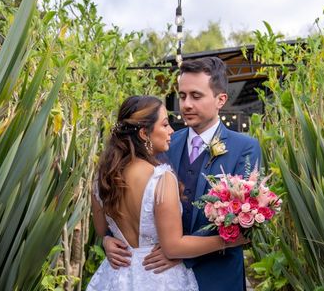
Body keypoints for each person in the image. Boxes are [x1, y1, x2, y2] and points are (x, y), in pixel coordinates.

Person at [103, 58, 262, 290]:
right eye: (182, 95)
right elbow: (127, 194)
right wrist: (109, 237)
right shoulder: (162, 143)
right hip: (159, 278)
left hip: (217, 277)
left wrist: (180, 252)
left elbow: (244, 224)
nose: (186, 104)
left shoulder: (245, 147)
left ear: (221, 100)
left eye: (196, 96)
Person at [87, 95, 246, 291]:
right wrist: (229, 240)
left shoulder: (102, 178)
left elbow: (102, 231)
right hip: (159, 278)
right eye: (164, 125)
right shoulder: (161, 178)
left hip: (117, 276)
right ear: (144, 133)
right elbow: (173, 247)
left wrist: (106, 240)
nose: (171, 131)